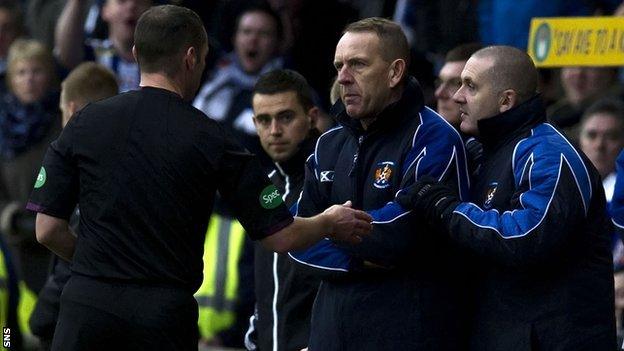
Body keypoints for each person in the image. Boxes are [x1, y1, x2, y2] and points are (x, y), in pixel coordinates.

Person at [26, 5, 371, 350]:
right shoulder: (213, 139)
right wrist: (328, 222)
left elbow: (47, 229)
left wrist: (97, 264)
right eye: (204, 59)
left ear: (136, 53)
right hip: (161, 320)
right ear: (191, 58)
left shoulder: (83, 123)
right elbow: (279, 236)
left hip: (84, 311)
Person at [397, 45, 616, 350]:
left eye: (470, 86)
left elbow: (527, 236)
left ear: (506, 100)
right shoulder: (479, 152)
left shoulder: (549, 154)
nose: (457, 96)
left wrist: (446, 208)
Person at [292, 18, 472, 350]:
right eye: (339, 66)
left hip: (411, 332)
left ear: (394, 72)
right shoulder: (327, 145)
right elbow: (296, 237)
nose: (343, 78)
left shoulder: (433, 137)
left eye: (357, 64)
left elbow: (407, 230)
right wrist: (355, 256)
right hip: (332, 332)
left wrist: (327, 227)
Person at [28, 62, 118, 350]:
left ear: (72, 109)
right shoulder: (127, 160)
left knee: (6, 339)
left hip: (75, 316)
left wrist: (42, 317)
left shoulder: (80, 168)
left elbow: (50, 233)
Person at [244, 69, 322, 351]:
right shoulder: (265, 188)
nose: (274, 130)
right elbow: (266, 284)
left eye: (285, 117)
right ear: (255, 124)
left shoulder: (332, 180)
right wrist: (255, 335)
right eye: (264, 120)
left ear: (311, 117)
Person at [193, 4, 283, 164]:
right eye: (246, 32)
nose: (253, 40)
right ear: (234, 38)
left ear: (277, 43)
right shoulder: (209, 78)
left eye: (263, 34)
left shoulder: (288, 88)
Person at [54, 0, 152, 92]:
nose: (131, 6)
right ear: (105, 11)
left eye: (140, 1)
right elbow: (66, 54)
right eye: (122, 1)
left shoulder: (161, 57)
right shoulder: (93, 52)